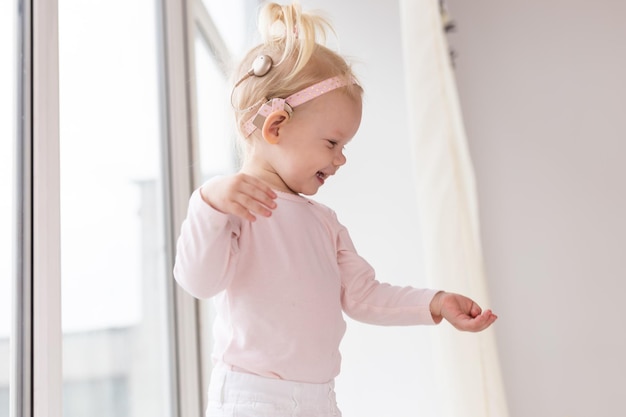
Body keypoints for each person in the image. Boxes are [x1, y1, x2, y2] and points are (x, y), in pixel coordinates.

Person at [173, 2, 497, 416]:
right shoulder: (232, 206)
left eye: (344, 147)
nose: (341, 159)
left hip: (319, 399)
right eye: (332, 143)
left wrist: (434, 302)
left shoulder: (324, 223)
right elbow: (198, 280)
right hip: (252, 398)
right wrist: (208, 203)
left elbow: (363, 295)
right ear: (275, 127)